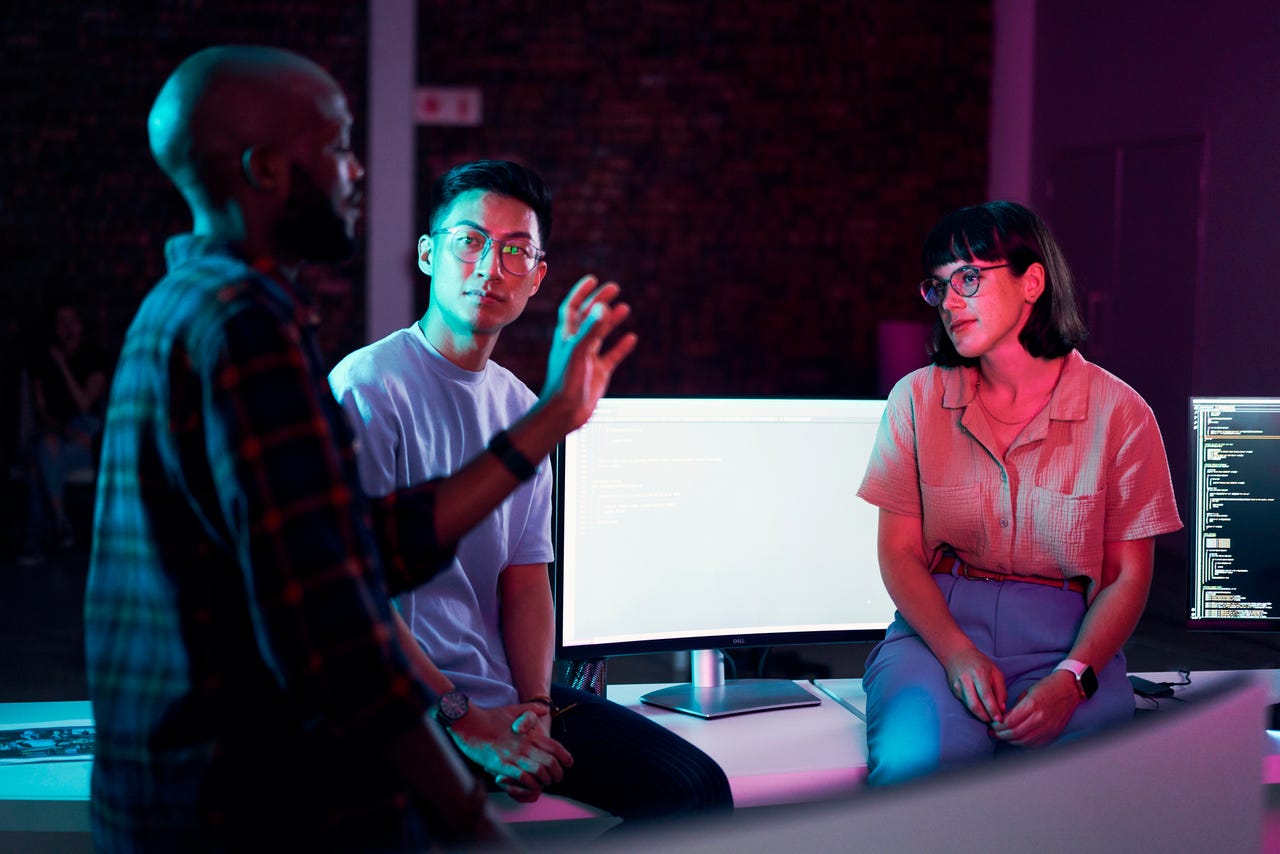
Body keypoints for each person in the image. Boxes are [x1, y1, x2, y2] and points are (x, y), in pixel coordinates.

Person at [84, 47, 635, 851]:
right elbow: (333, 625)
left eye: (516, 250)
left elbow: (353, 547)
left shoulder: (194, 304)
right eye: (338, 147)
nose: (356, 172)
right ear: (268, 169)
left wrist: (545, 422)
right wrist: (465, 805)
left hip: (187, 781)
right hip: (231, 793)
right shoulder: (248, 330)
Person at [329, 159, 733, 825]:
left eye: (515, 250)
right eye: (470, 242)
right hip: (404, 701)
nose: (491, 266)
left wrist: (538, 706)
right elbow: (354, 595)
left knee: (695, 790)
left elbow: (524, 579)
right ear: (429, 256)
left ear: (538, 276)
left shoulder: (523, 403)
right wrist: (460, 717)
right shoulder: (368, 387)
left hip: (501, 694)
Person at [857, 200, 1182, 786]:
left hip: (1070, 637)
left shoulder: (1122, 414)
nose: (950, 301)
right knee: (916, 770)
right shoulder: (916, 400)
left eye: (970, 278)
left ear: (1033, 281)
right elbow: (899, 553)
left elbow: (1127, 578)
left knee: (1082, 788)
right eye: (939, 287)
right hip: (938, 629)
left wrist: (1074, 679)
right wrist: (955, 652)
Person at [18, 301, 108, 564]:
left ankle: (37, 539)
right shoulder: (41, 363)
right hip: (58, 435)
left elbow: (84, 404)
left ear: (81, 325)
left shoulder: (95, 358)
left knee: (39, 463)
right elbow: (42, 411)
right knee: (44, 449)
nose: (66, 328)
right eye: (61, 322)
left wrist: (63, 367)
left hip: (87, 438)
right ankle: (60, 523)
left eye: (72, 321)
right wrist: (65, 432)